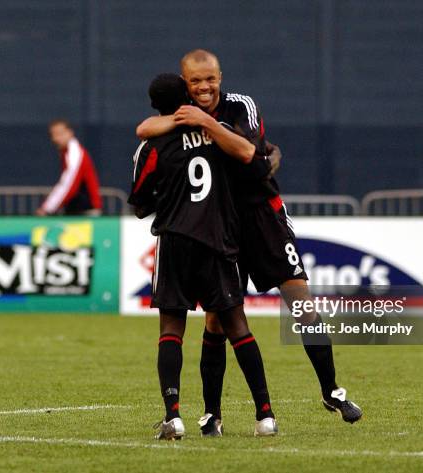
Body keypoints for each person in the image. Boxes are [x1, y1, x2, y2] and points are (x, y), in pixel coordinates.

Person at [137, 50, 362, 436]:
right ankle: (212, 413)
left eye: (210, 79)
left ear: (220, 77)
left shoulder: (241, 105)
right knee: (218, 320)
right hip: (219, 224)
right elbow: (146, 128)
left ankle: (331, 390)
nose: (204, 87)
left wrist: (213, 125)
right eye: (196, 81)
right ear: (185, 82)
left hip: (262, 217)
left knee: (301, 304)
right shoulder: (182, 114)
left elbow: (252, 153)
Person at [128, 73, 278, 440]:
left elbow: (140, 203)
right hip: (217, 240)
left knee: (171, 329)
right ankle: (265, 416)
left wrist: (168, 195)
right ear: (187, 98)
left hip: (176, 239)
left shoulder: (151, 145)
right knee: (238, 327)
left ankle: (173, 416)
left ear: (154, 105)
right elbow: (249, 160)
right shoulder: (217, 132)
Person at [37, 119, 103, 216]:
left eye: (59, 134)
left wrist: (47, 208)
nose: (55, 138)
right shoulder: (66, 153)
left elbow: (68, 185)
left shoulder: (75, 153)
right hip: (76, 210)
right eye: (52, 135)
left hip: (86, 212)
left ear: (70, 133)